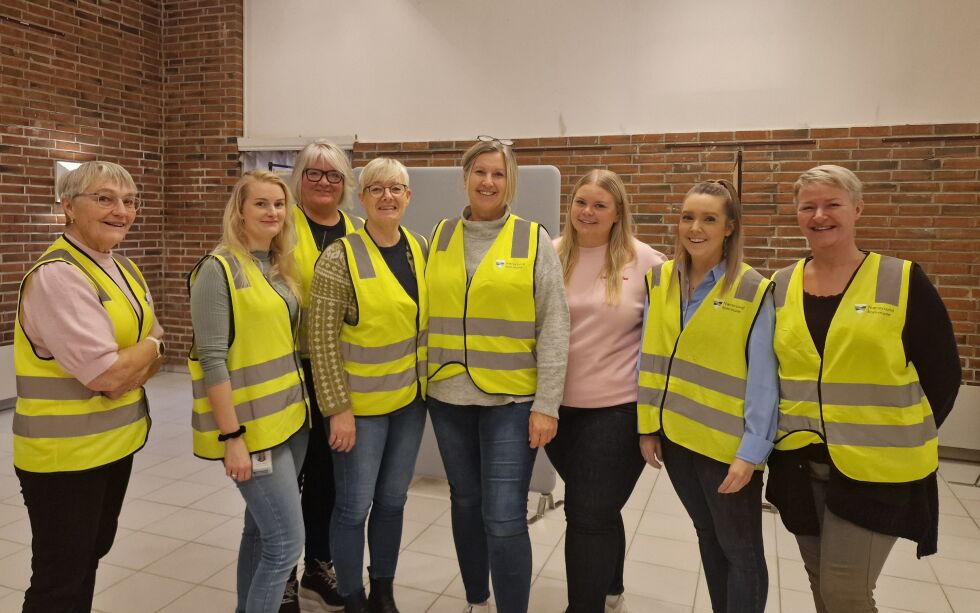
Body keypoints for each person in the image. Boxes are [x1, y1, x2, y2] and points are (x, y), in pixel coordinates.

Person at [765, 165, 961, 613]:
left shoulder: (901, 279)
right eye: (807, 206)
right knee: (820, 585)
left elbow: (943, 375)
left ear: (857, 208)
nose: (819, 215)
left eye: (832, 204)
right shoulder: (779, 285)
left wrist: (896, 430)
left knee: (844, 592)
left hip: (879, 467)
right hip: (800, 460)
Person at [425, 135, 570, 613]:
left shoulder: (533, 239)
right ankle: (475, 598)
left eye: (498, 173)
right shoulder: (439, 236)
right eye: (480, 172)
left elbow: (554, 324)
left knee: (505, 516)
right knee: (465, 502)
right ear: (465, 177)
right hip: (448, 395)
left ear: (510, 183)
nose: (488, 181)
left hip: (511, 402)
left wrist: (547, 404)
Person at [13, 161, 164, 612]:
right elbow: (110, 377)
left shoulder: (123, 268)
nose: (120, 210)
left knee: (86, 561)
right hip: (65, 460)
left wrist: (145, 353)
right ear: (68, 207)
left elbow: (154, 341)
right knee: (60, 581)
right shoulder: (58, 275)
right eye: (104, 198)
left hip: (113, 446)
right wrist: (150, 350)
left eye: (129, 201)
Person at [637, 180, 777, 613]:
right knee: (707, 535)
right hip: (677, 439)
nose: (695, 228)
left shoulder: (753, 289)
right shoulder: (659, 279)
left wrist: (751, 452)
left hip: (726, 448)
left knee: (741, 551)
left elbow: (764, 382)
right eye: (687, 217)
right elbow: (650, 357)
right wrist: (648, 428)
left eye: (709, 219)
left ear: (730, 227)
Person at [307, 157, 429, 613]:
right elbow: (319, 339)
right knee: (353, 508)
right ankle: (353, 597)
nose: (387, 197)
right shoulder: (340, 256)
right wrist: (337, 408)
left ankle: (383, 589)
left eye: (396, 188)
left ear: (408, 197)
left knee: (393, 502)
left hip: (409, 403)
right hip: (359, 410)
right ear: (361, 198)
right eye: (376, 188)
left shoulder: (419, 247)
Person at [188, 170, 309, 613]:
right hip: (250, 431)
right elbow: (212, 360)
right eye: (261, 203)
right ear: (239, 211)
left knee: (260, 532)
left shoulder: (277, 268)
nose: (273, 212)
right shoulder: (216, 271)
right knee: (285, 543)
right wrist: (231, 439)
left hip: (290, 421)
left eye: (279, 204)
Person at [547, 169, 665, 613]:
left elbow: (661, 342)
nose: (588, 212)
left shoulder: (648, 262)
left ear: (618, 213)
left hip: (615, 410)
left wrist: (654, 419)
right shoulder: (550, 255)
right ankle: (610, 584)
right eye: (581, 202)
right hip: (555, 409)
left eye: (600, 205)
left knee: (585, 513)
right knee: (597, 505)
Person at [286, 139, 363, 611]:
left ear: (345, 184)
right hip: (289, 367)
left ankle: (319, 565)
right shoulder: (281, 223)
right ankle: (282, 573)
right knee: (285, 477)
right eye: (313, 173)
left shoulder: (356, 230)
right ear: (299, 178)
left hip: (337, 371)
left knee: (327, 477)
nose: (323, 182)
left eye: (333, 175)